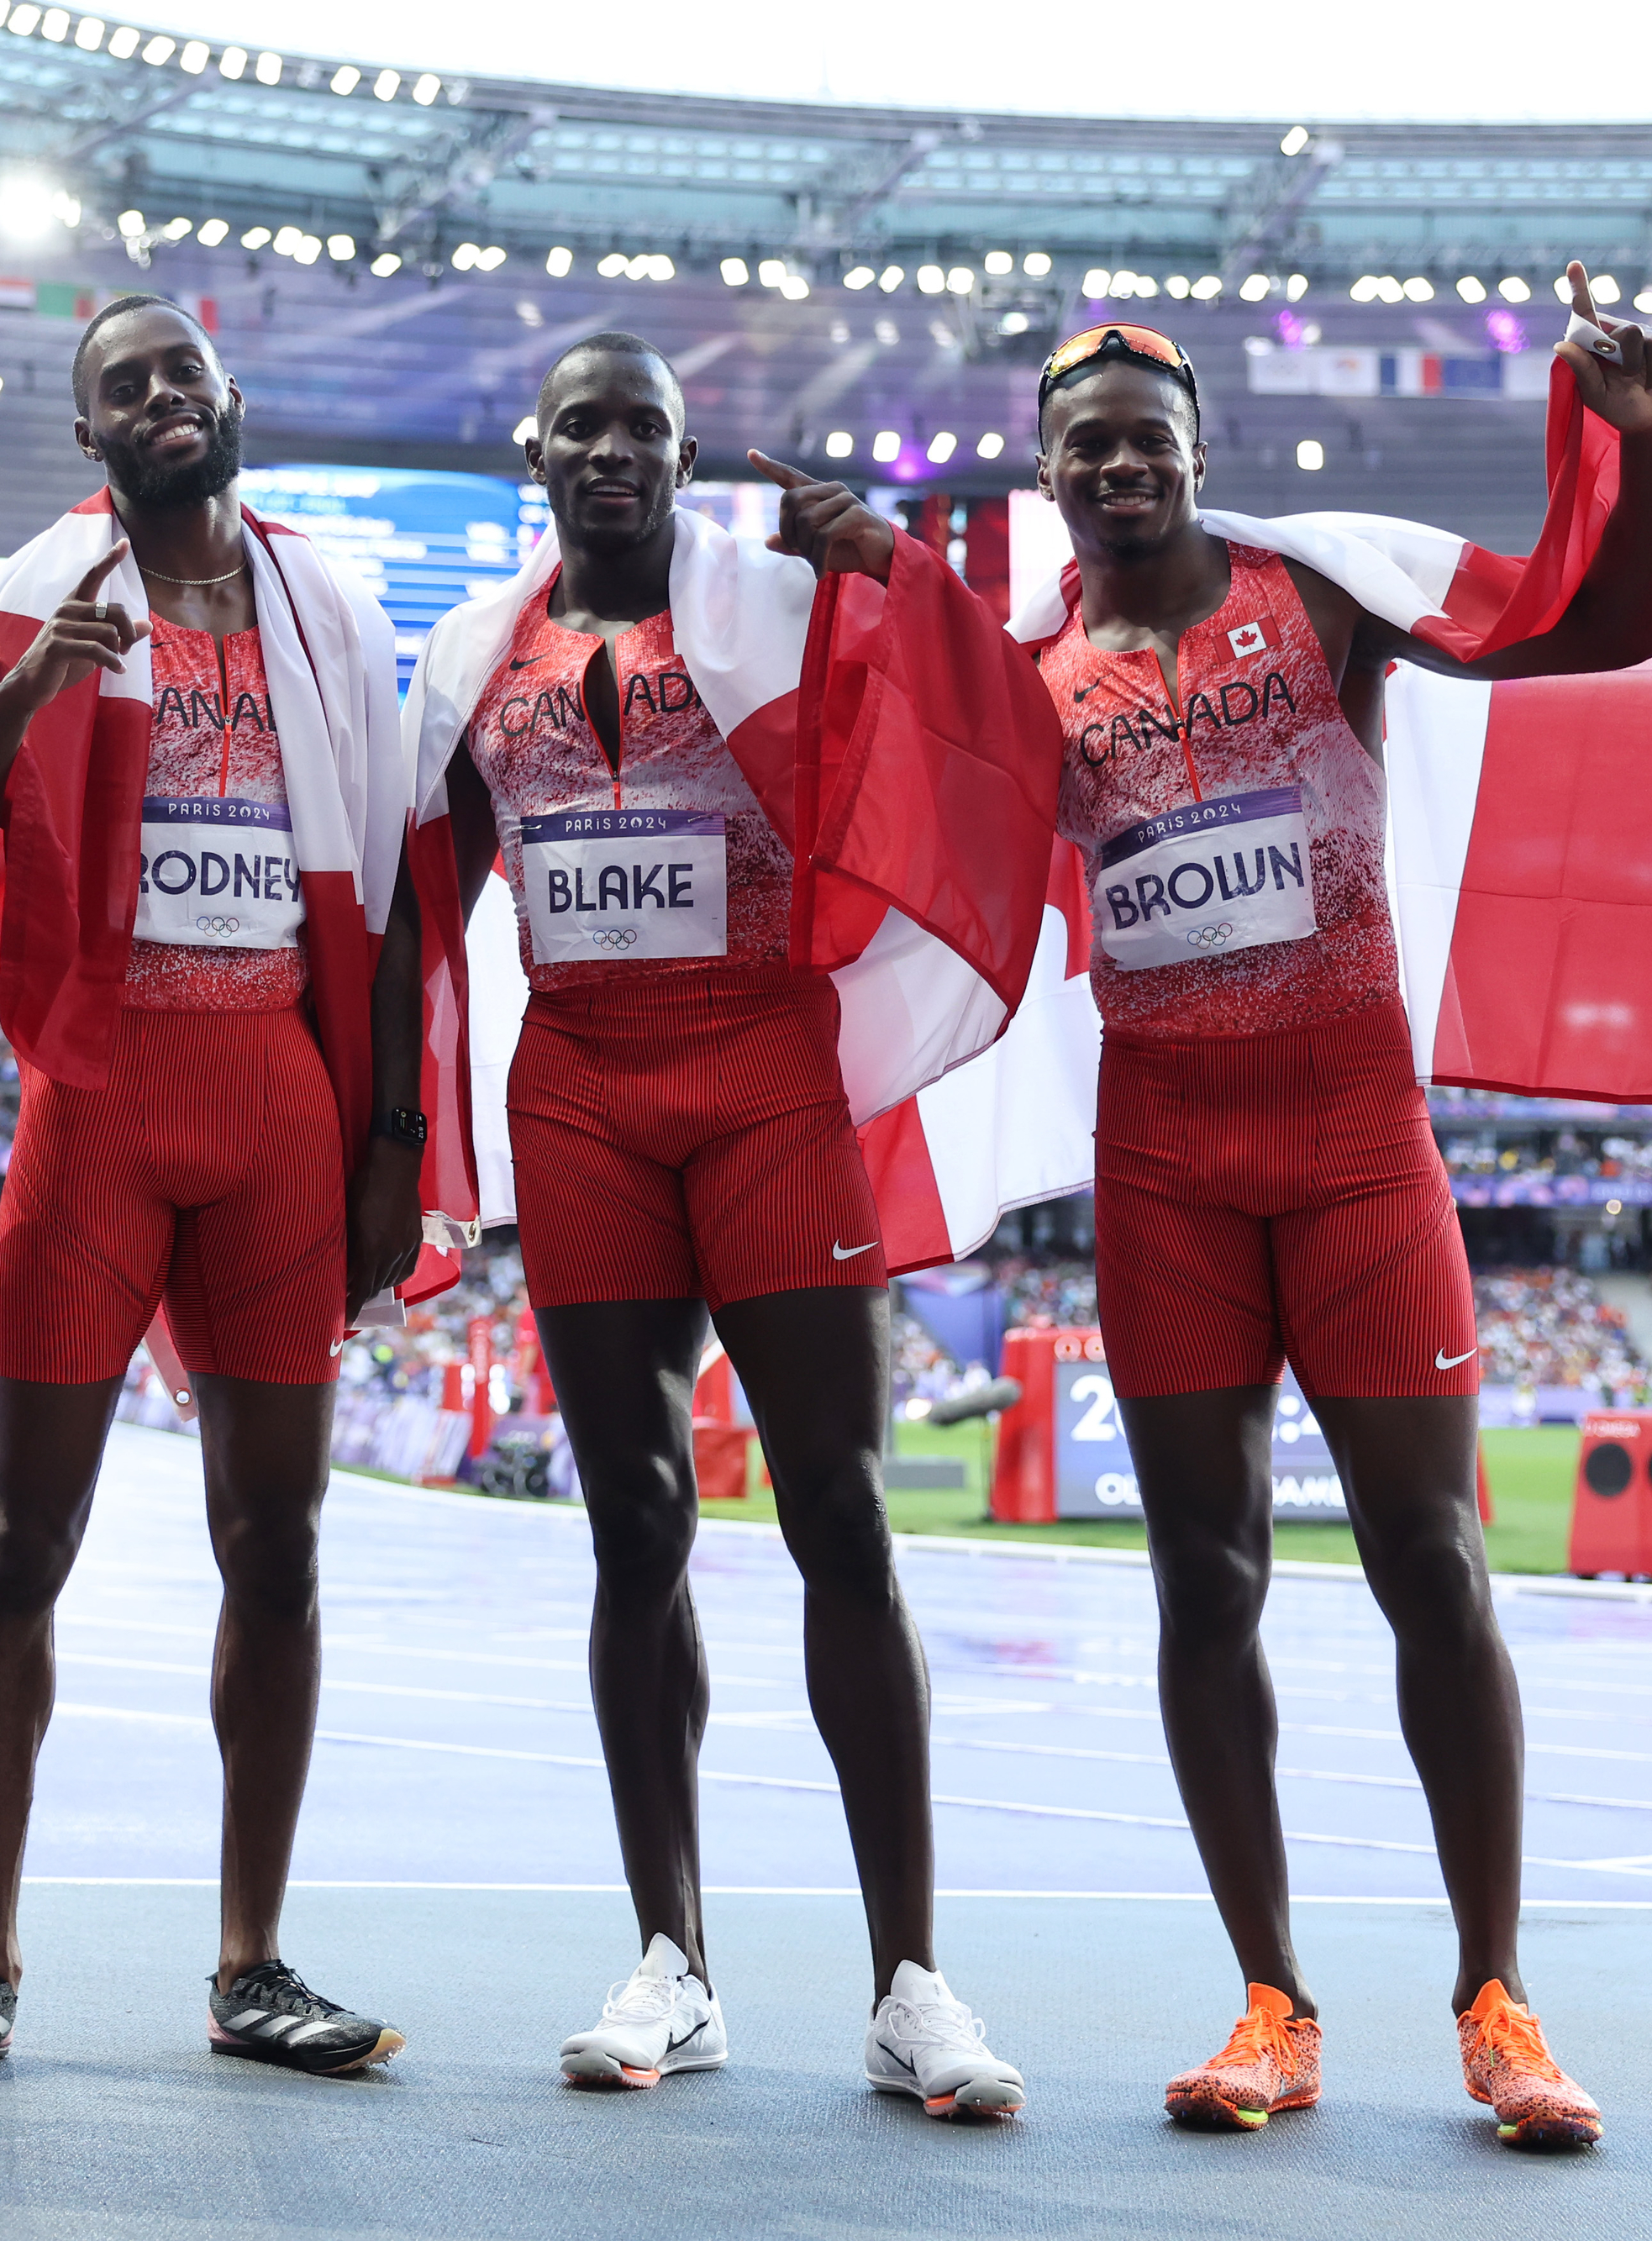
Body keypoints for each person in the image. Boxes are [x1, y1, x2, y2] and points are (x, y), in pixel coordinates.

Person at [1023, 264, 1652, 2149]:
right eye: (1085, 448)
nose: (1118, 467)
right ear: (1051, 482)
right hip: (1161, 1164)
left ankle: (1493, 1999)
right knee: (1202, 1579)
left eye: (1145, 439)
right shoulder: (1024, 684)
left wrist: (1638, 445)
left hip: (1347, 1144)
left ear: (1194, 457)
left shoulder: (1317, 600)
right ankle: (1268, 2000)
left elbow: (1603, 618)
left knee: (1428, 1556)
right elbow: (882, 809)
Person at [404, 333, 1057, 2119]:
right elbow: (410, 904)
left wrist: (897, 575)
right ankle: (668, 1958)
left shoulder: (783, 603)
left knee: (839, 1508)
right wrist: (405, 1129)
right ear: (537, 450)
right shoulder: (471, 655)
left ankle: (909, 1980)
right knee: (631, 1520)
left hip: (762, 1078)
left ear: (682, 459)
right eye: (585, 424)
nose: (612, 449)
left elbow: (985, 717)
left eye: (646, 427)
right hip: (584, 1092)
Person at [0, 295, 435, 2085]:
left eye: (181, 370)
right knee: (19, 1547)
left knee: (276, 1545)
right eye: (123, 386)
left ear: (229, 397)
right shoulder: (28, 600)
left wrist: (392, 1145)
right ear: (88, 436)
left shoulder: (327, 607)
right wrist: (34, 678)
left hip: (275, 1087)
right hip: (99, 1095)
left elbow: (399, 894)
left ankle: (249, 1959)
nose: (160, 398)